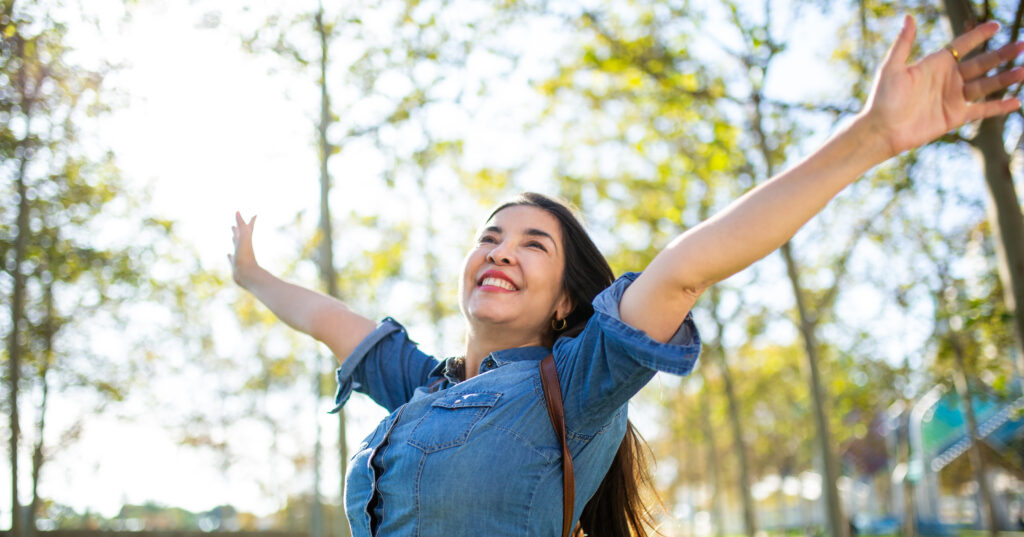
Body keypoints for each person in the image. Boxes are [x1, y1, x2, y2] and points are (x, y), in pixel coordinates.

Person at [230, 17, 1024, 537]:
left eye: (533, 244)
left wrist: (872, 136)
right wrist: (254, 275)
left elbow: (686, 267)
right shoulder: (419, 388)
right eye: (491, 236)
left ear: (569, 296)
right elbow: (326, 317)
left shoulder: (575, 382)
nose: (501, 250)